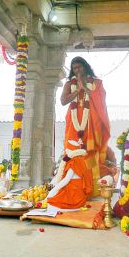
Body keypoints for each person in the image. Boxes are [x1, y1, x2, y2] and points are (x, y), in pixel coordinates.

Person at [47, 56, 110, 210]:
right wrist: (78, 91)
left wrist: (86, 88)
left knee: (89, 152)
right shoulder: (69, 83)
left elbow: (101, 100)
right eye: (74, 68)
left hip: (91, 123)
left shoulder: (96, 82)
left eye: (80, 67)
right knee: (73, 152)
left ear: (85, 67)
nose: (77, 70)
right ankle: (70, 189)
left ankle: (91, 189)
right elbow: (63, 101)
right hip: (74, 123)